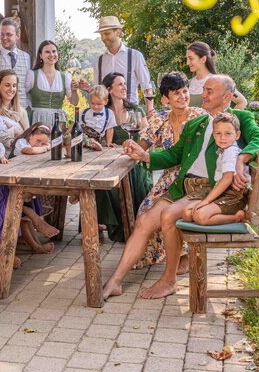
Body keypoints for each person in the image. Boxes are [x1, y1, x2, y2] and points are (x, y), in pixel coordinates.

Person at [104, 75, 259, 300]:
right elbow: (174, 155)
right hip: (184, 186)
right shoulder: (196, 123)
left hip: (211, 190)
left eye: (210, 91)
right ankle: (115, 281)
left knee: (169, 216)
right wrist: (145, 155)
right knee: (144, 221)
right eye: (204, 90)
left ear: (227, 97)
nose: (203, 95)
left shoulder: (240, 118)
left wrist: (241, 159)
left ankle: (168, 280)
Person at [130, 72, 206, 269]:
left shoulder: (200, 116)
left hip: (195, 177)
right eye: (176, 93)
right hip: (169, 177)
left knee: (178, 212)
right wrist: (133, 148)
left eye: (185, 91)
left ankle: (183, 255)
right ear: (165, 99)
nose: (183, 97)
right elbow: (143, 146)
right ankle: (159, 254)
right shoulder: (160, 118)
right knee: (145, 209)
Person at [0, 134, 55, 261]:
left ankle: (36, 230)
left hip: (3, 195)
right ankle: (7, 257)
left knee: (18, 210)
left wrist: (3, 160)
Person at [161, 111, 251, 226]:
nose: (222, 137)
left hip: (233, 197)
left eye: (228, 133)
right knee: (187, 213)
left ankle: (236, 217)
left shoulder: (230, 151)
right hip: (222, 192)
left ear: (237, 135)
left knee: (200, 216)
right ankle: (212, 211)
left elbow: (227, 179)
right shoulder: (223, 150)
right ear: (213, 135)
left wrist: (206, 201)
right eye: (218, 133)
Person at [93, 73, 151, 242]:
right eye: (120, 84)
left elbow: (147, 135)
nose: (124, 87)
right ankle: (108, 223)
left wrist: (137, 148)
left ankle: (133, 224)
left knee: (136, 175)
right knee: (100, 179)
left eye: (125, 84)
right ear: (109, 89)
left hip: (132, 157)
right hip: (108, 158)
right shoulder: (101, 111)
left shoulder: (135, 109)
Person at [86, 16, 152, 107]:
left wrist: (150, 111)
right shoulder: (99, 61)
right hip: (106, 114)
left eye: (107, 34)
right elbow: (98, 91)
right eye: (101, 35)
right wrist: (87, 88)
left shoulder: (135, 56)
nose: (103, 38)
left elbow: (147, 87)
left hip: (130, 112)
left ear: (117, 32)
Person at [0, 18, 33, 109]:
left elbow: (27, 86)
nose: (4, 38)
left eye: (8, 34)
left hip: (22, 110)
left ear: (18, 35)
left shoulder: (26, 57)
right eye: (2, 34)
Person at [28, 40, 80, 128]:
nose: (52, 55)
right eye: (47, 52)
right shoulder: (32, 75)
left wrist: (74, 91)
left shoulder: (65, 77)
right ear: (40, 55)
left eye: (54, 51)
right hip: (38, 119)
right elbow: (22, 96)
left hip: (59, 120)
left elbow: (74, 102)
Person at [186, 41, 248, 109]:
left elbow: (242, 102)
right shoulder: (188, 84)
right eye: (187, 59)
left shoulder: (219, 83)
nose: (187, 63)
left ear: (203, 59)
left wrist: (229, 118)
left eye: (191, 58)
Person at [79, 85, 117, 150]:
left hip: (98, 139)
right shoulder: (84, 112)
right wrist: (67, 133)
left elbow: (110, 129)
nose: (95, 106)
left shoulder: (109, 113)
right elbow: (75, 123)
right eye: (92, 103)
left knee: (93, 142)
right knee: (80, 139)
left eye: (99, 104)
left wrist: (109, 142)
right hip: (83, 136)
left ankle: (94, 144)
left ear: (106, 102)